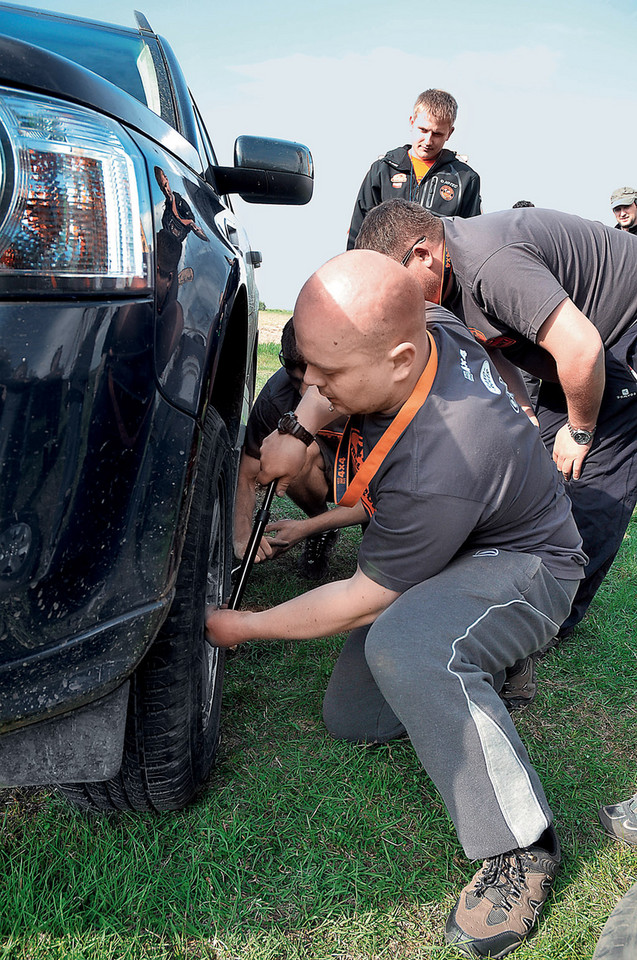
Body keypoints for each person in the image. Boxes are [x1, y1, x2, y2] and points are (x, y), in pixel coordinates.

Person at [208, 250, 586, 958]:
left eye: (327, 376)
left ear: (402, 358)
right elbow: (372, 481)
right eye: (305, 369)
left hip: (527, 565)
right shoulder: (425, 316)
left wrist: (245, 624)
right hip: (457, 538)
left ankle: (520, 849)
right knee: (353, 718)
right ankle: (481, 671)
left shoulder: (451, 454)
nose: (309, 388)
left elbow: (358, 600)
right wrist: (300, 428)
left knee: (406, 647)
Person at [354, 199, 637, 637]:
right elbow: (494, 345)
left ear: (423, 254)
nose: (395, 300)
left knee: (590, 481)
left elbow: (583, 349)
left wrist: (580, 431)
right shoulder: (446, 283)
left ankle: (551, 618)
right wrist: (523, 411)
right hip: (576, 352)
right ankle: (523, 591)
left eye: (396, 283)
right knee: (542, 475)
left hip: (614, 343)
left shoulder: (489, 263)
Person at [234, 319, 344, 580]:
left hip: (373, 475)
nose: (307, 390)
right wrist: (242, 536)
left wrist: (304, 528)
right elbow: (248, 473)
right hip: (326, 470)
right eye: (297, 381)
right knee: (296, 455)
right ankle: (323, 529)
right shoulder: (276, 397)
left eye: (318, 378)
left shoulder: (377, 390)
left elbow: (379, 497)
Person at [346, 89, 481, 250]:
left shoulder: (465, 179)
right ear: (412, 122)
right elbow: (358, 231)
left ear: (449, 133)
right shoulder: (382, 170)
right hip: (384, 270)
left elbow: (470, 242)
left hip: (434, 272)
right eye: (423, 130)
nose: (428, 140)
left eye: (437, 134)